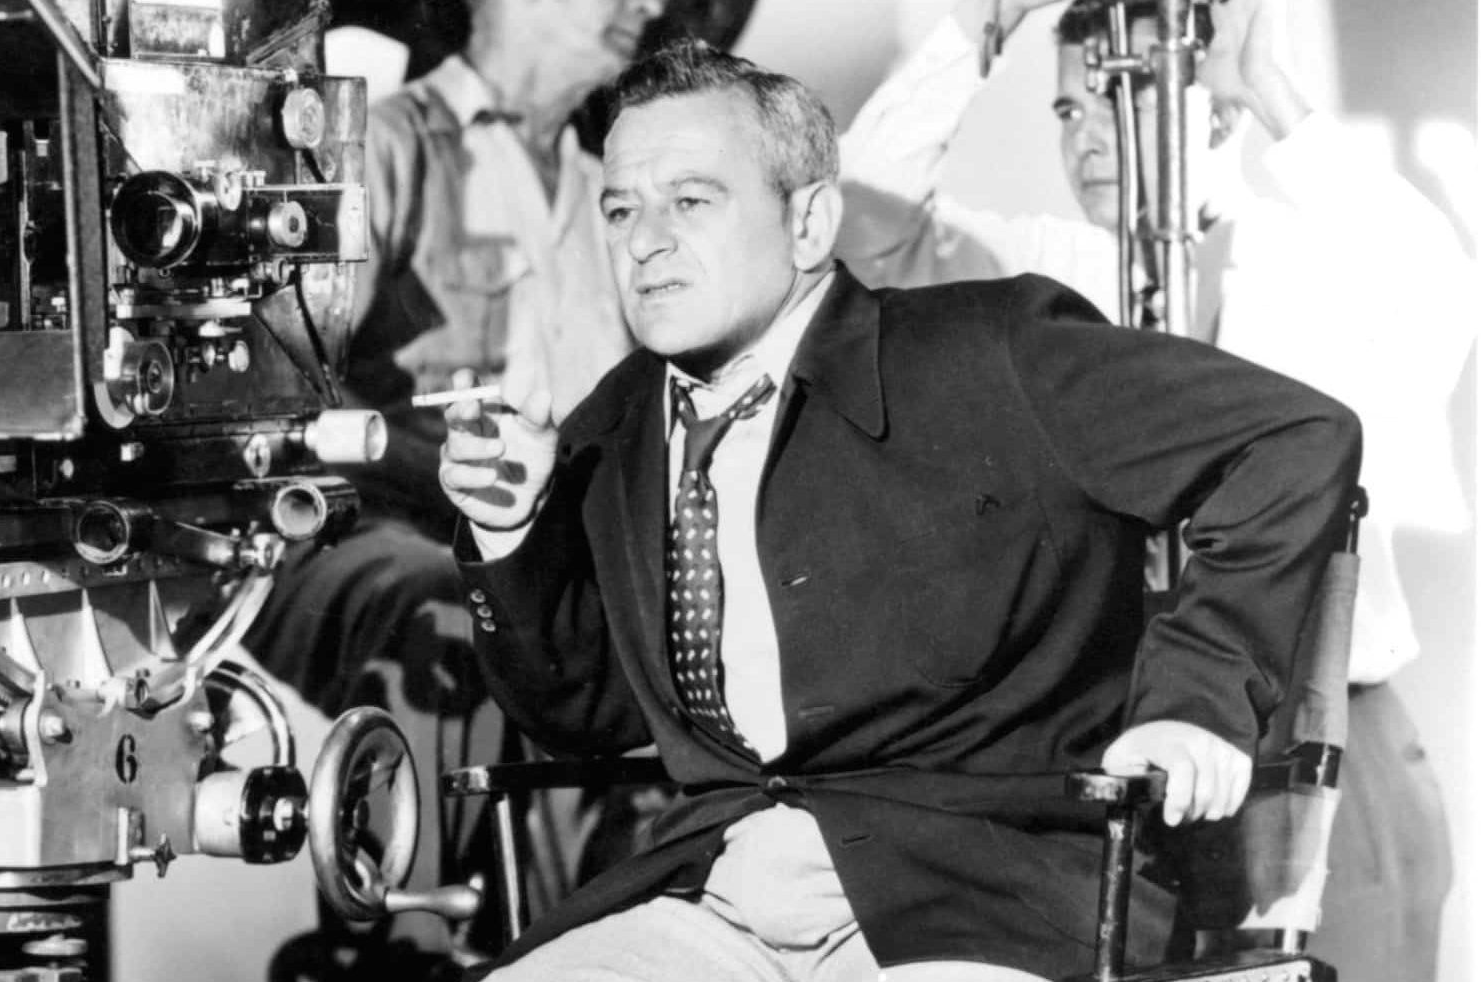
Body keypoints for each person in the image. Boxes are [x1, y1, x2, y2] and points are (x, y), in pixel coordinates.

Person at [438, 39, 1361, 981]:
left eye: (690, 201)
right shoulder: (618, 421)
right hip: (718, 899)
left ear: (808, 222)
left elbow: (1291, 436)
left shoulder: (988, 352)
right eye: (620, 209)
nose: (643, 242)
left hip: (981, 903)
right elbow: (579, 714)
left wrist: (1195, 700)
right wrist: (511, 533)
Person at [834, 2, 1462, 976]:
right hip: (1150, 754)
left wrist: (1269, 92)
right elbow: (861, 224)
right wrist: (971, 32)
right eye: (1068, 110)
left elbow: (1435, 287)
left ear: (1212, 109)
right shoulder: (1051, 281)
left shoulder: (1317, 263)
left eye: (1120, 97)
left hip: (1328, 747)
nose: (1089, 134)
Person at [244, 0, 667, 970]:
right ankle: (399, 946)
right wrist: (458, 477)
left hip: (546, 558)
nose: (647, 6)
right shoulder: (382, 149)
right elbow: (282, 390)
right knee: (447, 605)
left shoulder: (610, 191)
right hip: (350, 536)